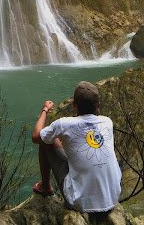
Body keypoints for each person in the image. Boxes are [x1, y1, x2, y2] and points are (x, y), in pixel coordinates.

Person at [31, 81, 122, 213]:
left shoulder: (64, 124)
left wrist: (45, 110)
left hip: (80, 202)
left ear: (74, 105)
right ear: (98, 105)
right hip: (112, 198)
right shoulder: (107, 122)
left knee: (46, 139)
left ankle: (45, 186)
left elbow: (36, 136)